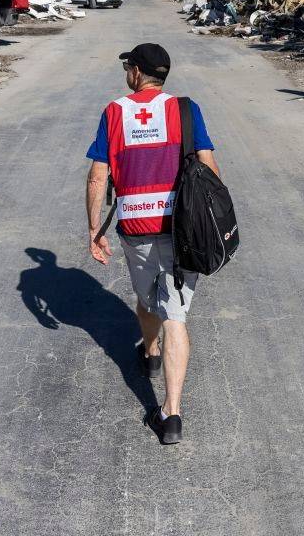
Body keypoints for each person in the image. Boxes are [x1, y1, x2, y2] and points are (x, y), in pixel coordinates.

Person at [85, 43, 221, 445]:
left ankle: (150, 352)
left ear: (137, 72)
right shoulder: (185, 109)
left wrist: (95, 230)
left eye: (128, 65)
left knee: (147, 299)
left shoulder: (115, 112)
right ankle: (171, 414)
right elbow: (208, 164)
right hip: (181, 227)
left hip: (135, 226)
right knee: (175, 313)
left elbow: (97, 176)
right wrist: (218, 219)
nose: (126, 71)